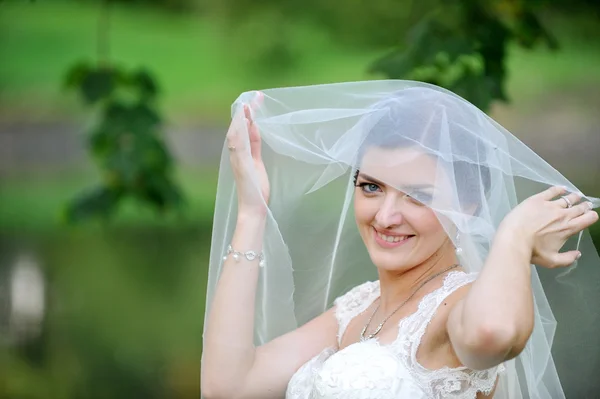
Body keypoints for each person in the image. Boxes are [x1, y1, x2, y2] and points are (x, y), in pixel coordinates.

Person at [200, 81, 600, 399]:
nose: (386, 217)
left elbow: (490, 336)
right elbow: (227, 387)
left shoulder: (461, 306)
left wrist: (513, 237)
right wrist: (252, 212)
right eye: (371, 187)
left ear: (469, 205)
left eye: (418, 195)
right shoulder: (357, 309)